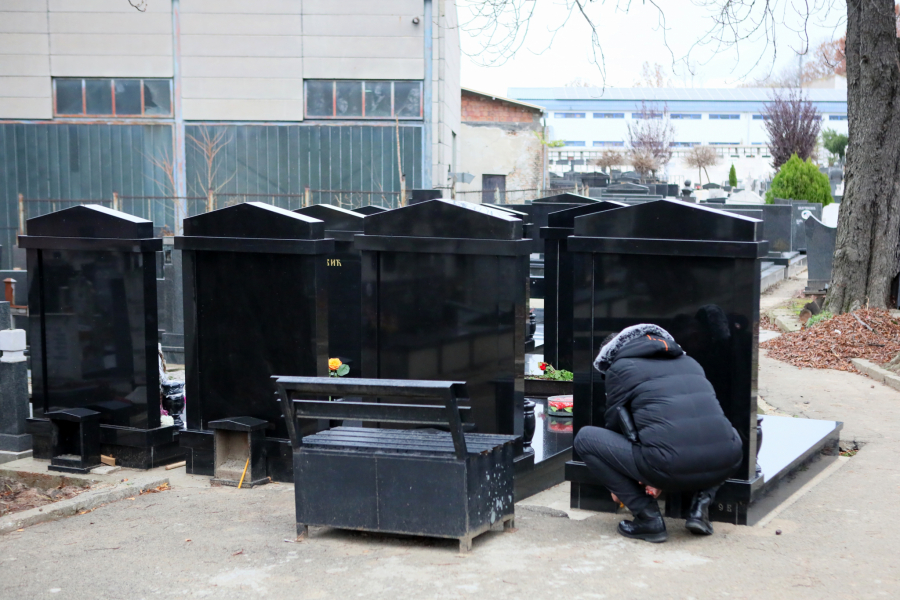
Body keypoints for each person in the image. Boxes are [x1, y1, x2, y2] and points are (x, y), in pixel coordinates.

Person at [573, 324, 743, 543]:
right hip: (726, 460)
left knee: (586, 438)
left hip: (667, 466)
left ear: (611, 353)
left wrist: (624, 485)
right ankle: (700, 508)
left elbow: (615, 426)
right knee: (719, 436)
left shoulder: (621, 367)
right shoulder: (690, 362)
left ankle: (648, 518)